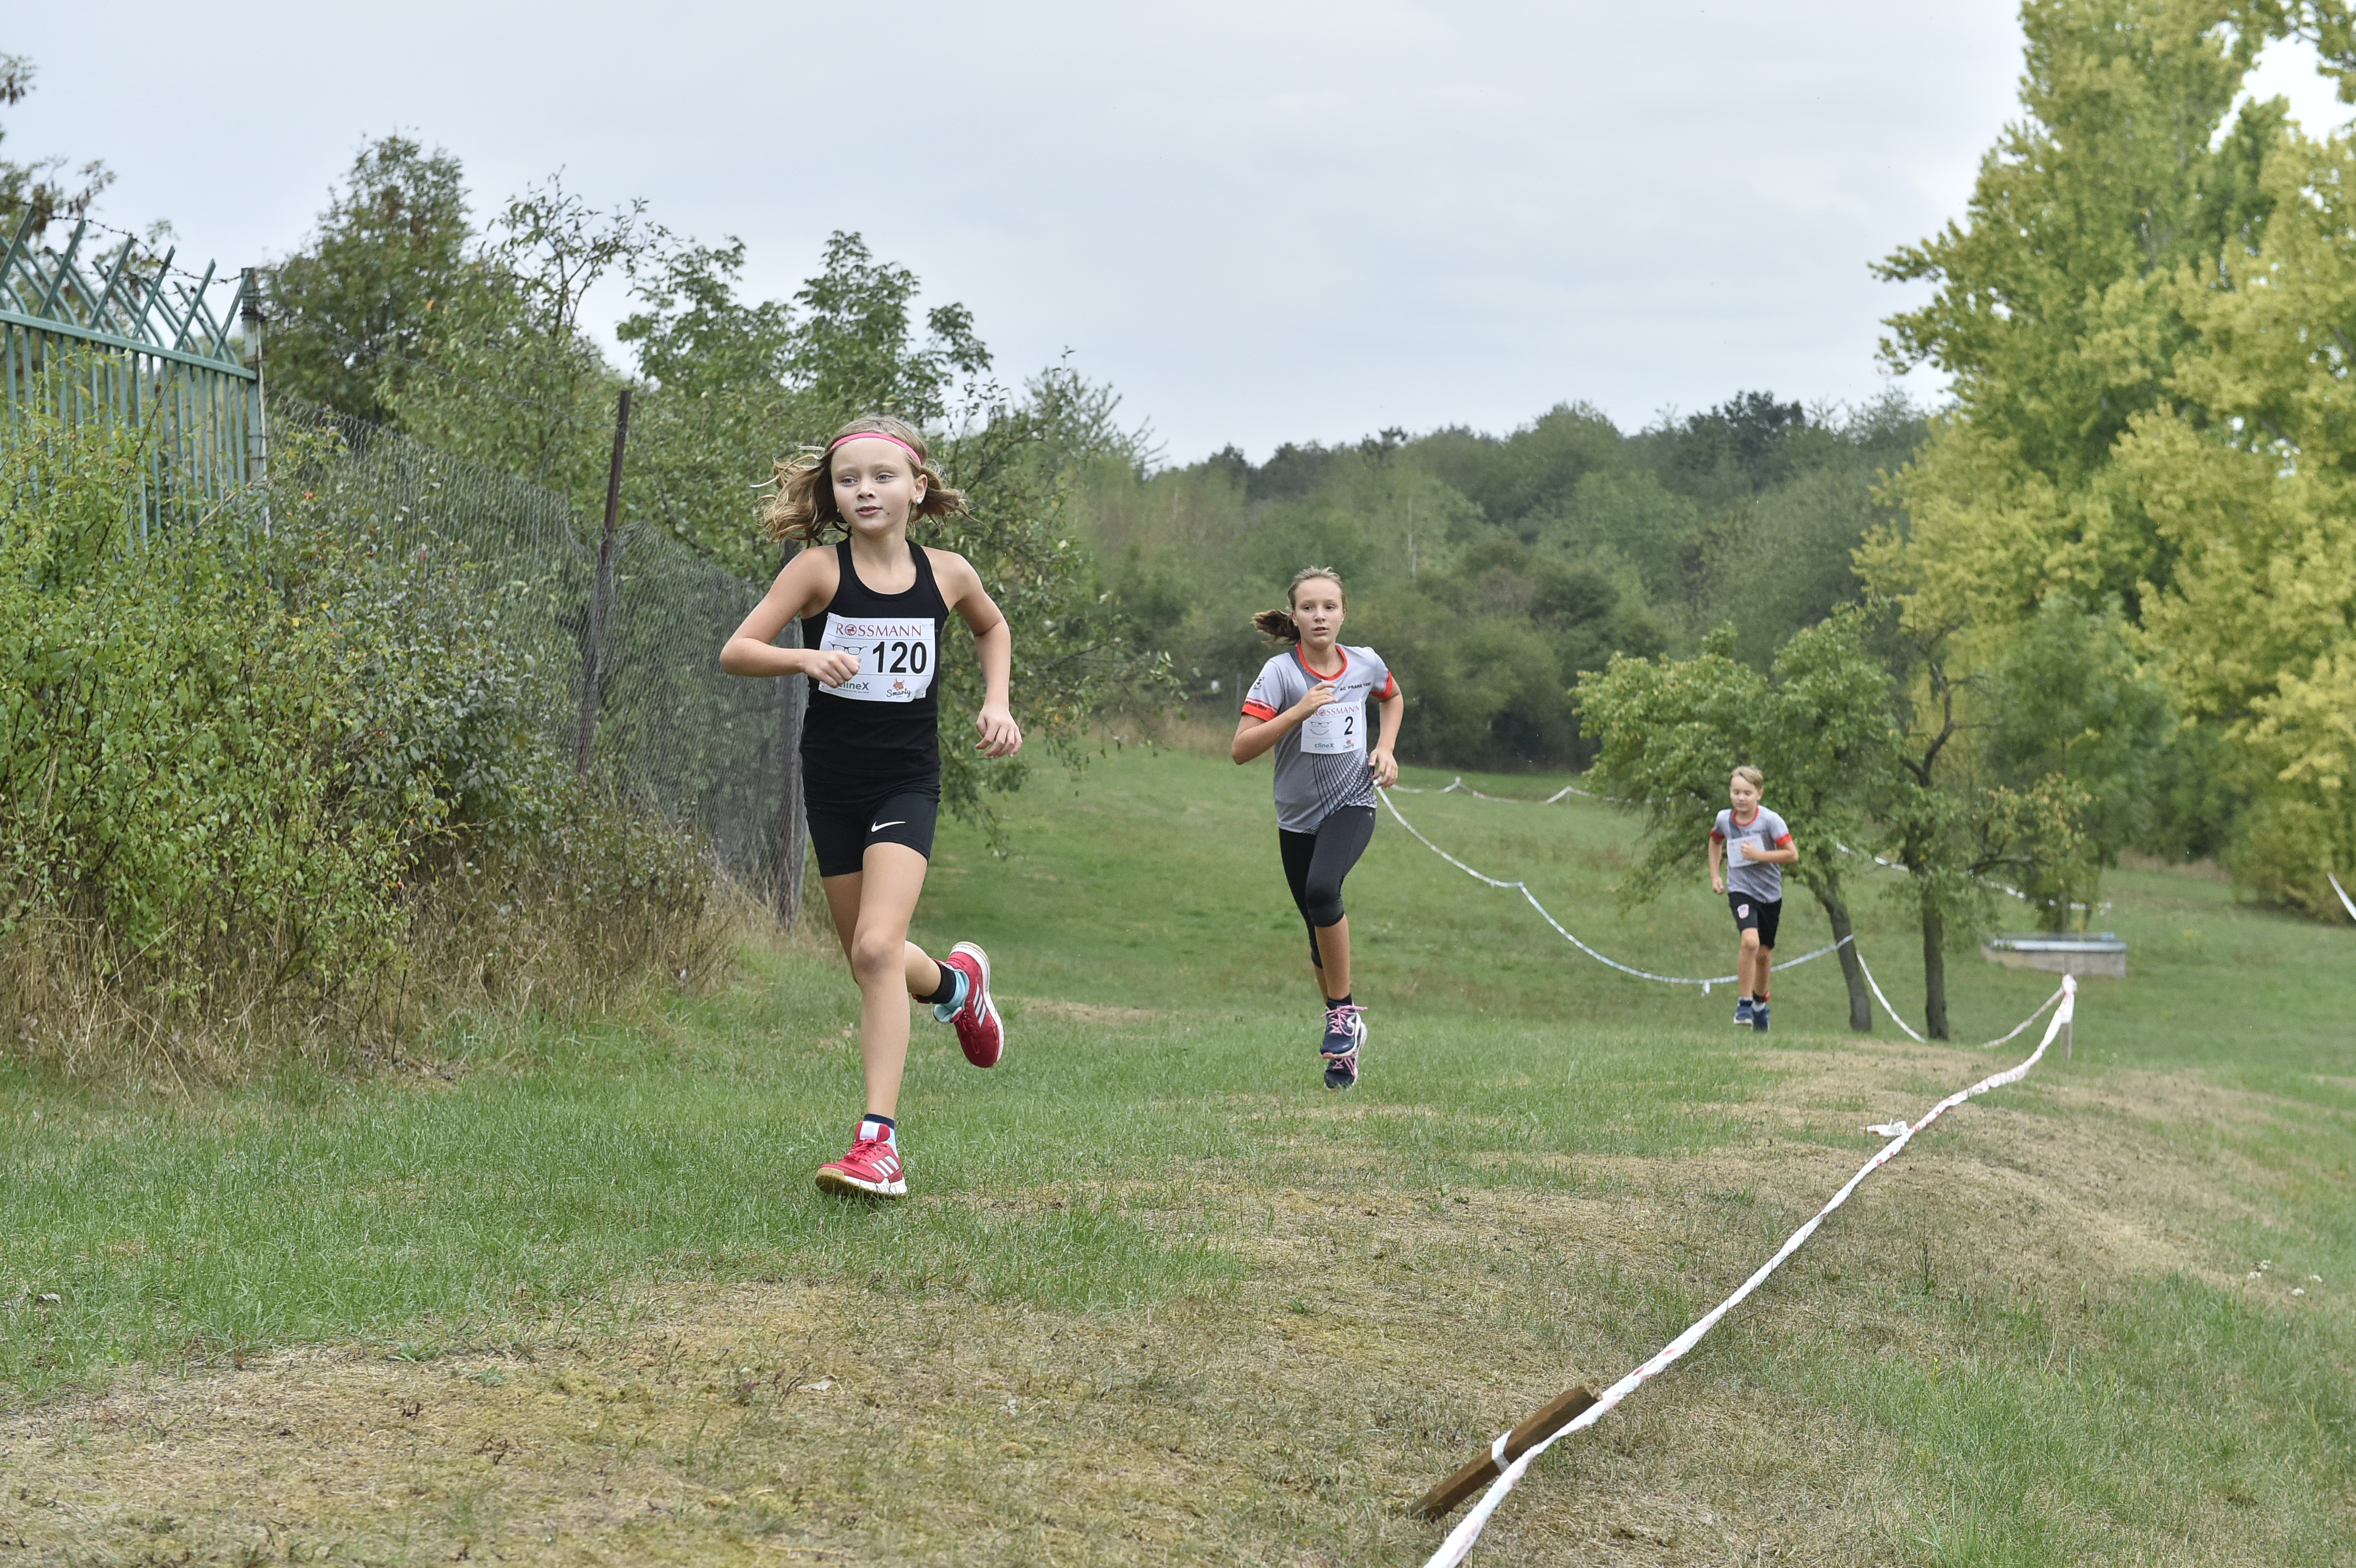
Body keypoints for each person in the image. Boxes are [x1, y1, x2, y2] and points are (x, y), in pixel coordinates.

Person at [721, 414, 1020, 1198]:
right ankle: (957, 990)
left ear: (917, 489)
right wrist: (804, 657)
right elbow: (737, 650)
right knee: (868, 956)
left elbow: (992, 628)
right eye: (848, 479)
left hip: (905, 781)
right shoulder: (817, 572)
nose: (865, 490)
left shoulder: (947, 574)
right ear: (833, 493)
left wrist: (997, 702)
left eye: (883, 477)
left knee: (878, 948)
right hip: (831, 783)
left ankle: (877, 1143)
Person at [1231, 567, 1403, 1089]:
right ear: (1295, 616)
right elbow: (1241, 749)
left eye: (1329, 606)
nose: (1319, 616)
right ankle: (1344, 1045)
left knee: (1323, 890)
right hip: (1296, 818)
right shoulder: (1280, 674)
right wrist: (1298, 712)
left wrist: (1386, 748)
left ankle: (1343, 1015)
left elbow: (1392, 696)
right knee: (1315, 931)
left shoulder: (1365, 662)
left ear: (1344, 614)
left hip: (1352, 803)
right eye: (1308, 607)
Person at [1707, 765, 1797, 1034]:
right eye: (1736, 792)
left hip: (1770, 893)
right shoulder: (1724, 819)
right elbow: (1715, 842)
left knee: (1764, 953)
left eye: (1747, 793)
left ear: (1759, 793)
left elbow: (1792, 855)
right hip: (1741, 889)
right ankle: (1744, 1004)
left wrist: (1759, 856)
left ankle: (1760, 1004)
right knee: (1750, 942)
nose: (1741, 798)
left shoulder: (1771, 821)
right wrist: (1715, 875)